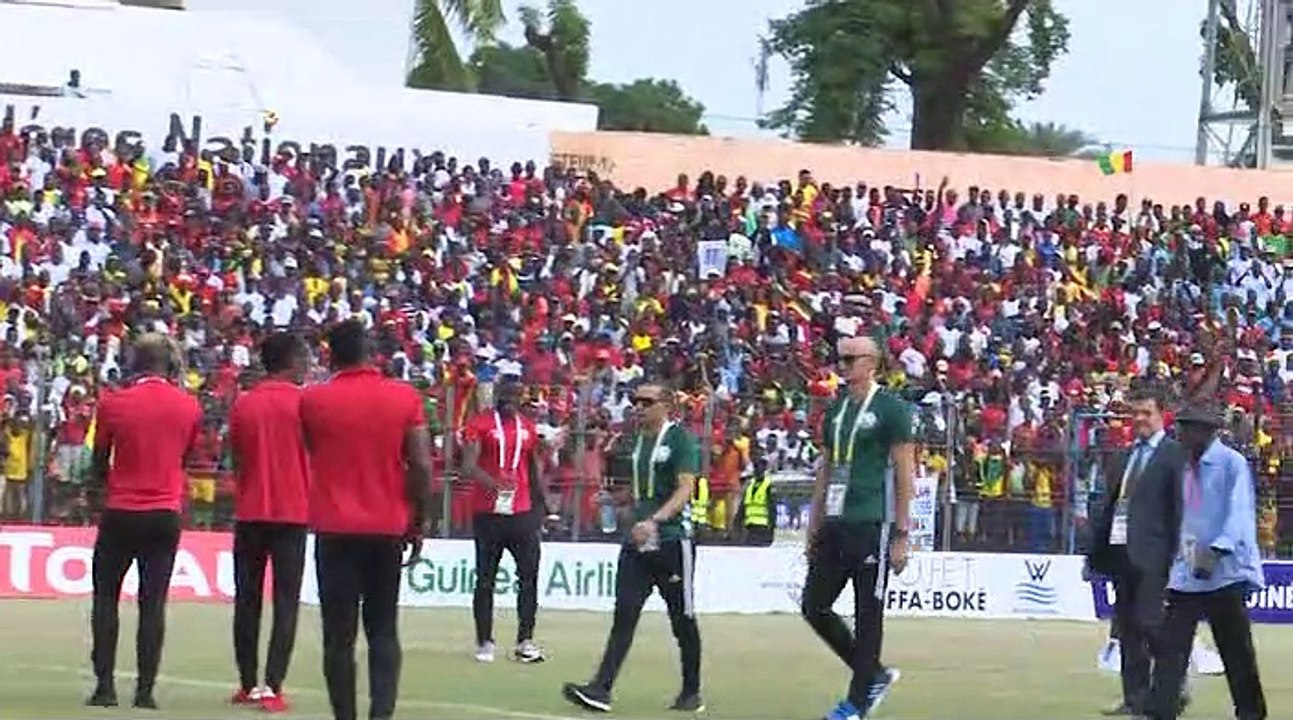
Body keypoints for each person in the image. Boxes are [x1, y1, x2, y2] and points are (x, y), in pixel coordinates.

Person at [300, 320, 433, 720]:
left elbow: (312, 449)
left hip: (335, 529)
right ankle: (381, 715)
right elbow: (422, 465)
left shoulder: (312, 400)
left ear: (330, 356)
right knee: (383, 629)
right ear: (371, 353)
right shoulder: (403, 396)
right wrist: (419, 519)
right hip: (386, 526)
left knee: (338, 636)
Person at [562, 382, 704, 714]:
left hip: (672, 541)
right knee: (624, 614)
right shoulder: (637, 441)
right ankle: (600, 688)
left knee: (682, 619)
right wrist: (615, 499)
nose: (638, 407)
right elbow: (643, 490)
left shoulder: (680, 439)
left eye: (646, 402)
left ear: (666, 404)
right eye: (635, 401)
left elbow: (685, 489)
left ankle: (691, 691)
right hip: (638, 541)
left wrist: (655, 520)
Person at [85, 334, 202, 710]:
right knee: (153, 604)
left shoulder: (113, 403)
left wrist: (99, 490)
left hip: (121, 510)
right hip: (164, 512)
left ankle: (105, 687)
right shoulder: (189, 406)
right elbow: (184, 455)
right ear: (168, 364)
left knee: (106, 598)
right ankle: (145, 691)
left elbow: (99, 458)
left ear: (135, 362)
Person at [802, 335, 913, 720]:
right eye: (841, 359)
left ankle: (855, 705)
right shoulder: (836, 410)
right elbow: (826, 469)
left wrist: (901, 534)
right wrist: (814, 521)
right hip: (836, 523)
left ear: (872, 363)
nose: (843, 366)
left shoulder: (891, 409)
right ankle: (873, 675)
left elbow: (905, 473)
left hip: (873, 523)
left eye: (851, 359)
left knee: (868, 616)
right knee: (814, 605)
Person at [1145, 402, 1267, 720]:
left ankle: (1251, 713)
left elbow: (1239, 513)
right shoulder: (1179, 465)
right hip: (1186, 573)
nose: (1179, 434)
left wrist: (1217, 550)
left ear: (1206, 432)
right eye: (1179, 428)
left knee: (1236, 652)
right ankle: (1160, 712)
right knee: (1170, 649)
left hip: (1224, 573)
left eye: (1186, 429)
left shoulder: (1232, 463)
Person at [1084, 386, 1185, 716]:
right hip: (1121, 554)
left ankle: (1170, 689)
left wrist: (1178, 558)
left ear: (1161, 415)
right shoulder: (1124, 456)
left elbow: (1179, 511)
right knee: (1127, 630)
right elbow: (1111, 506)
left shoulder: (1174, 455)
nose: (1140, 419)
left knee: (1151, 626)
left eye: (1146, 413)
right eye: (1135, 413)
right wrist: (1096, 554)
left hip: (1155, 558)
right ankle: (1135, 699)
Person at [227, 332, 312, 712]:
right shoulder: (307, 403)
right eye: (305, 359)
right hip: (293, 513)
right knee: (285, 602)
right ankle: (273, 687)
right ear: (292, 362)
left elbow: (237, 458)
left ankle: (247, 684)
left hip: (250, 512)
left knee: (247, 600)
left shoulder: (244, 403)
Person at [461, 376, 547, 664]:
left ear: (522, 397)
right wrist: (494, 484)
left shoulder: (528, 427)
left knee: (529, 577)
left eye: (515, 394)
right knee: (485, 579)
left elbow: (533, 469)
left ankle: (525, 641)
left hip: (522, 513)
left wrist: (543, 506)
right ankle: (485, 641)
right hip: (488, 513)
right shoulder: (479, 424)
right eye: (506, 394)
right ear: (497, 394)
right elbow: (468, 467)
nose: (510, 399)